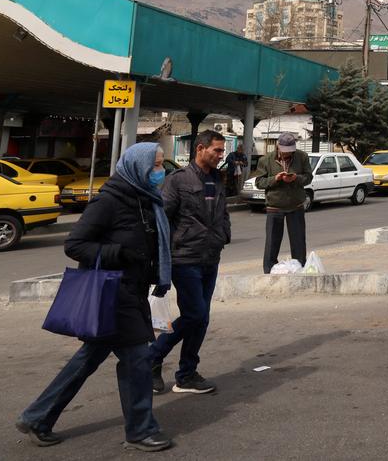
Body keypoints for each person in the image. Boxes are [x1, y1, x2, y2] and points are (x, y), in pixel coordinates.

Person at [16, 142, 174, 452]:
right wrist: (118, 253)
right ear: (137, 167)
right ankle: (140, 430)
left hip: (133, 292)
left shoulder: (145, 199)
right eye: (155, 166)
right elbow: (75, 244)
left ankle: (37, 416)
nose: (160, 172)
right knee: (138, 360)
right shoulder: (109, 202)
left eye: (161, 165)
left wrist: (157, 272)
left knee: (88, 359)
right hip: (113, 294)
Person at [149, 130, 231, 395]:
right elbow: (161, 219)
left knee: (201, 318)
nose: (221, 155)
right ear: (200, 149)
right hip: (185, 258)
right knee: (196, 314)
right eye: (217, 150)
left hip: (211, 256)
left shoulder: (218, 178)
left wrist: (223, 235)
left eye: (222, 151)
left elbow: (223, 212)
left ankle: (186, 374)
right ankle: (153, 356)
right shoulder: (178, 181)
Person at [253, 132, 311, 273]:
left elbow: (308, 177)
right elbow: (259, 182)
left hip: (296, 205)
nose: (287, 154)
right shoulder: (265, 160)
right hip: (274, 206)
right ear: (278, 146)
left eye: (290, 151)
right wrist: (276, 179)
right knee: (272, 242)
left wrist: (296, 178)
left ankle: (300, 268)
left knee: (298, 241)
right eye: (285, 151)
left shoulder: (302, 157)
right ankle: (269, 271)